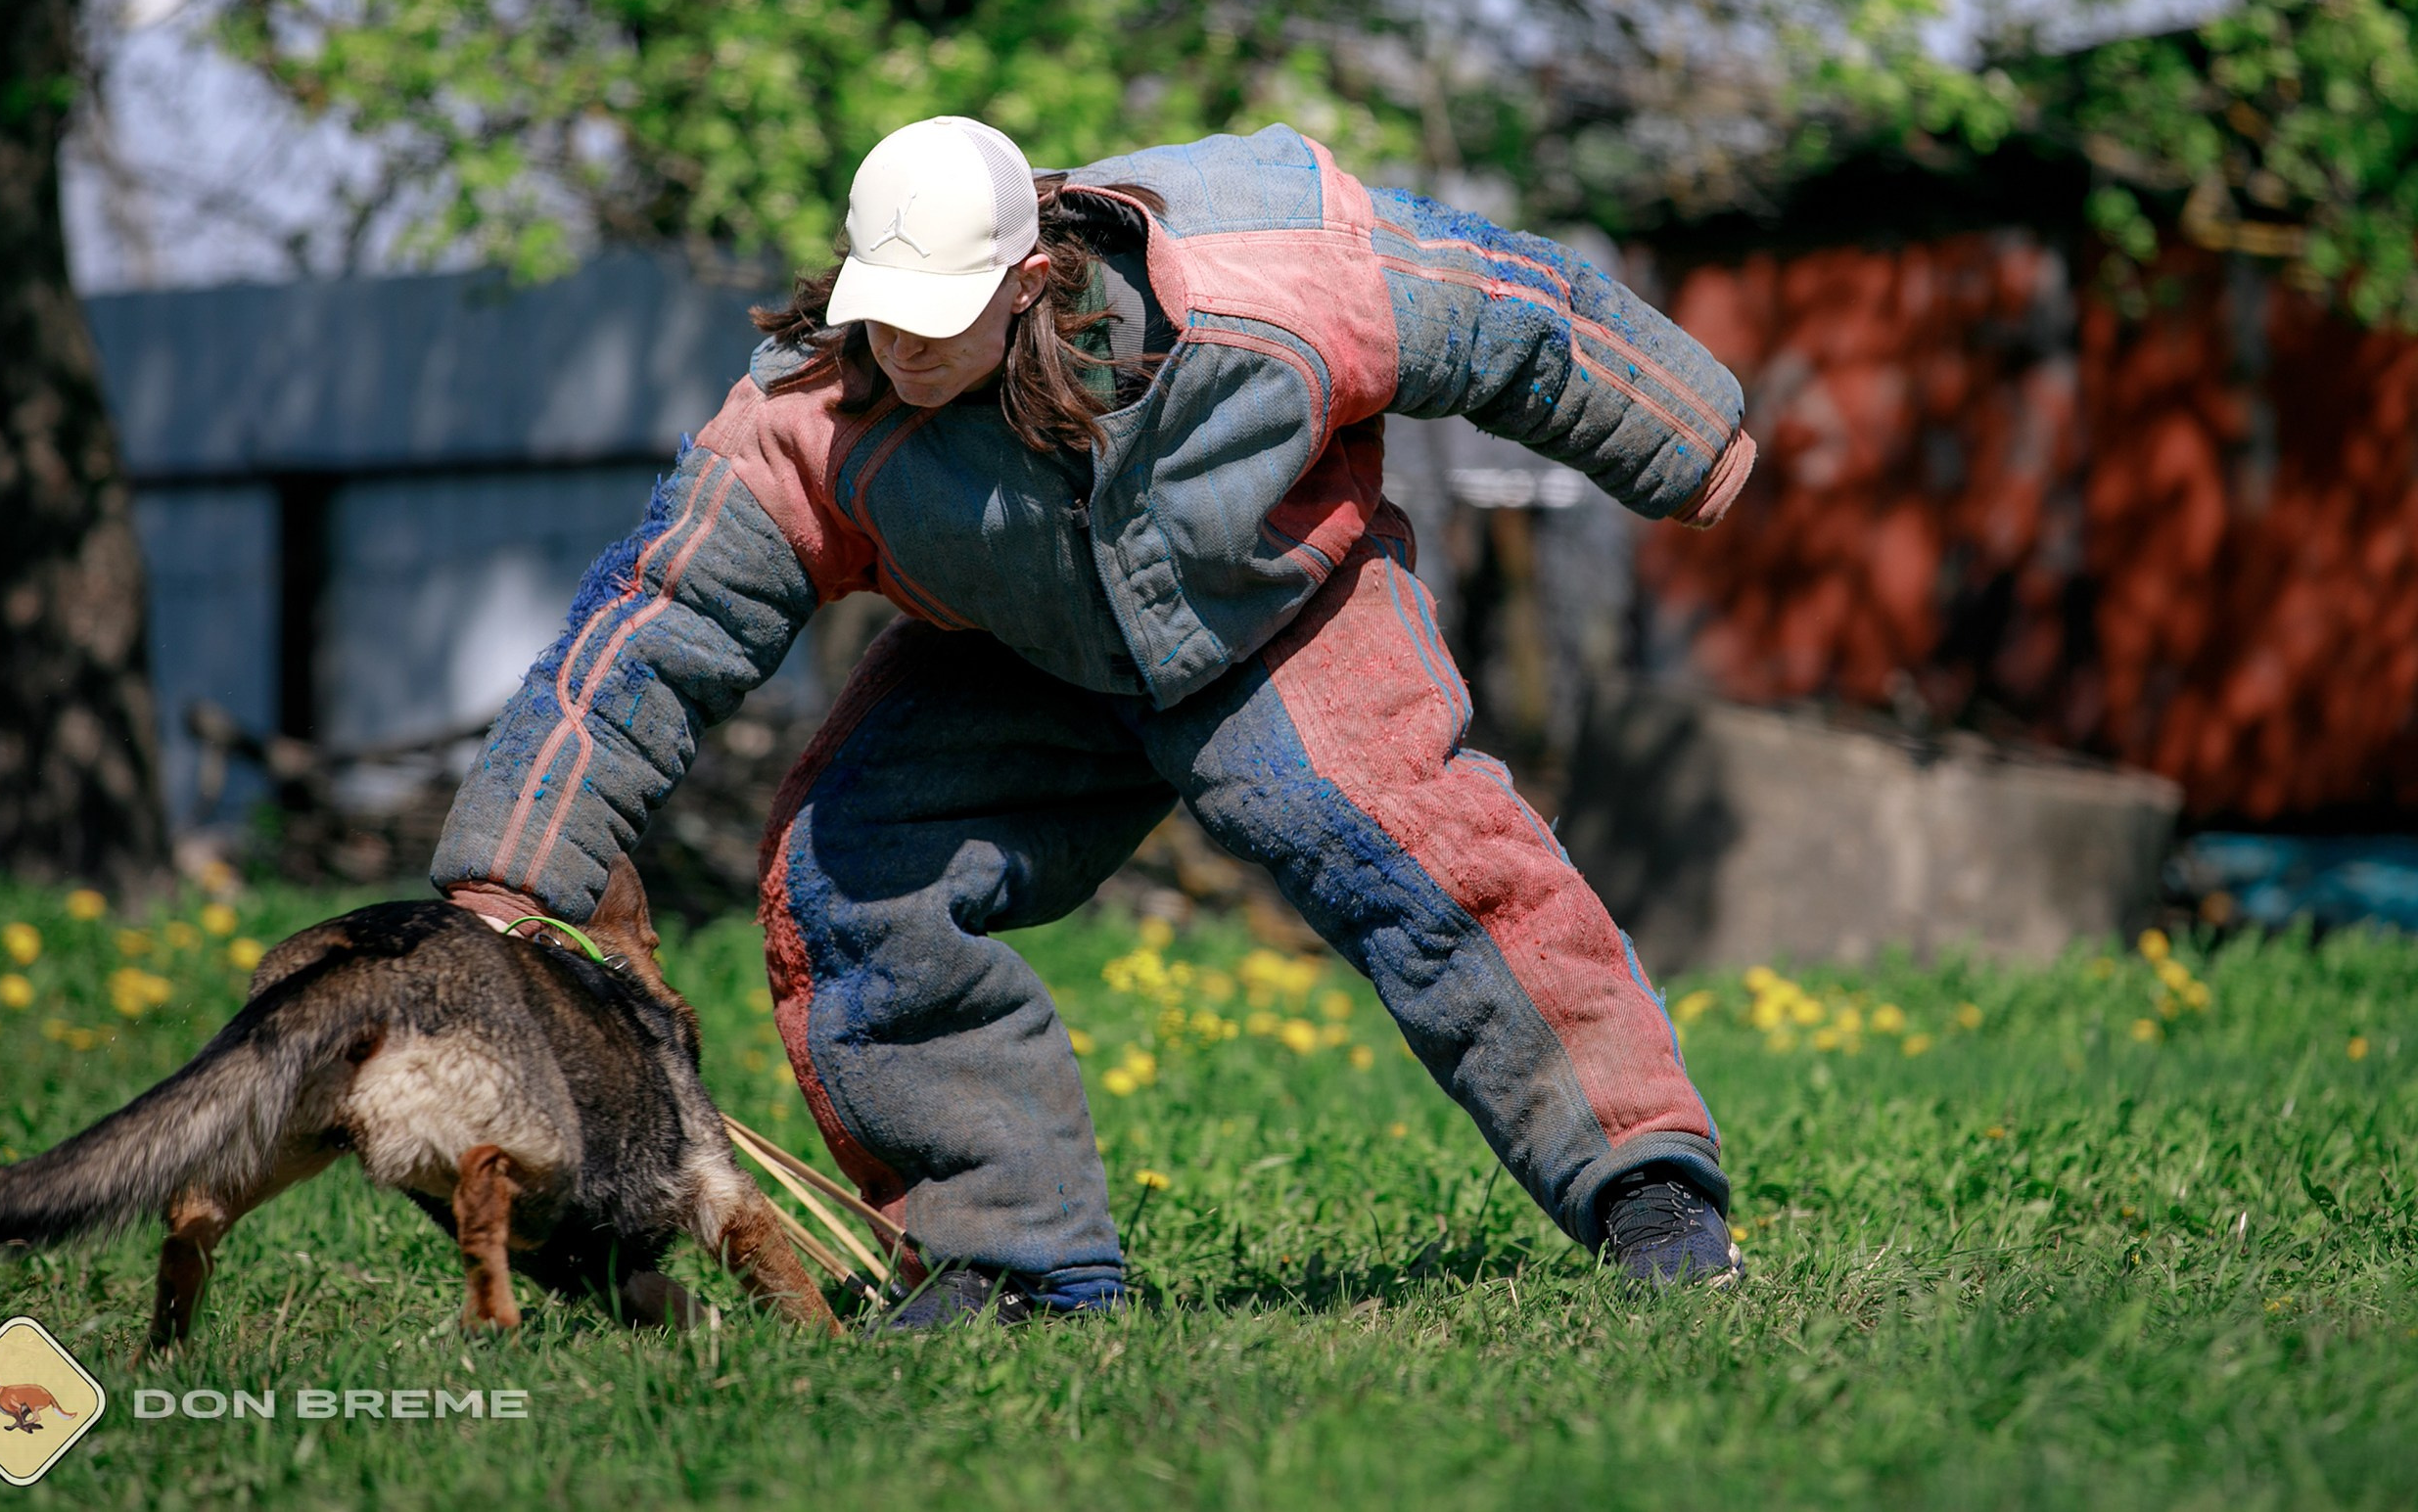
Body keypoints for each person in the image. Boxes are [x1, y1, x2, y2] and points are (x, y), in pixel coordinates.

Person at [433, 115, 1759, 1328]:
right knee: (851, 875)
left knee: (1435, 861)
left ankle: (1646, 1186)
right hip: (1023, 660)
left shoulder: (1264, 279)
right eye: (879, 314)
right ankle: (1017, 1263)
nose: (899, 351)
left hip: (1279, 613)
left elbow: (1506, 306)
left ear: (1027, 281)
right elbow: (654, 623)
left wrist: (1689, 439)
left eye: (936, 320)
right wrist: (509, 872)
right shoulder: (815, 418)